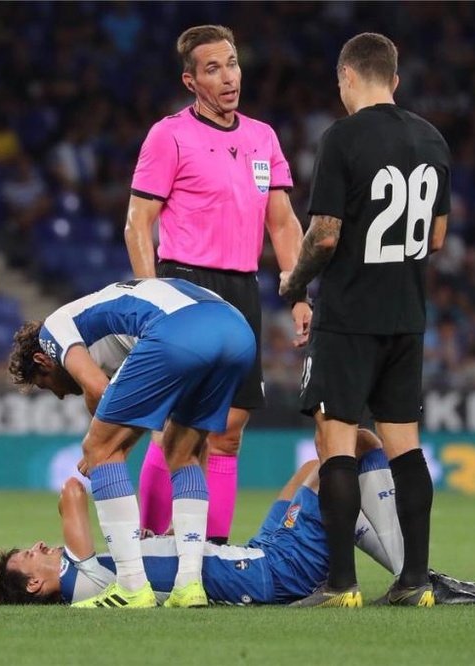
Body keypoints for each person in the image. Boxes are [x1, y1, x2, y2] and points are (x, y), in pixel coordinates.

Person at [279, 33, 451, 608]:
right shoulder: (432, 137)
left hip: (350, 316)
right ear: (394, 79)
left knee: (337, 444)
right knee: (406, 447)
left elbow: (324, 234)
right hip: (407, 313)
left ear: (346, 77)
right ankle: (416, 581)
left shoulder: (342, 138)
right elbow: (438, 236)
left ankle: (342, 585)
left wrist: (294, 282)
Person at [124, 24, 310, 546]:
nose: (228, 77)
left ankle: (215, 553)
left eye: (231, 64)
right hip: (186, 288)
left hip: (242, 290)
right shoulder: (169, 135)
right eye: (213, 68)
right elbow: (138, 223)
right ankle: (149, 541)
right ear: (191, 80)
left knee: (228, 432)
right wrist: (151, 298)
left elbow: (283, 223)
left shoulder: (262, 137)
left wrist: (297, 292)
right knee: (180, 430)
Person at [0, 429, 475, 607]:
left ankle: (408, 573)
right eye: (32, 556)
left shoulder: (98, 584)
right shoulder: (82, 578)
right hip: (270, 570)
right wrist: (97, 451)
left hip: (254, 556)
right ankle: (412, 576)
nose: (41, 547)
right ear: (34, 585)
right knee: (359, 445)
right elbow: (73, 491)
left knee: (315, 469)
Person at [7, 277, 256, 609]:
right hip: (238, 331)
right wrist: (119, 439)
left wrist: (105, 445)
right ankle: (189, 584)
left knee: (97, 450)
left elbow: (96, 388)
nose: (60, 393)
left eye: (46, 384)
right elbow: (131, 404)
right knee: (184, 450)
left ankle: (131, 586)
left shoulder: (53, 332)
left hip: (180, 330)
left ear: (43, 360)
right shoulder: (118, 342)